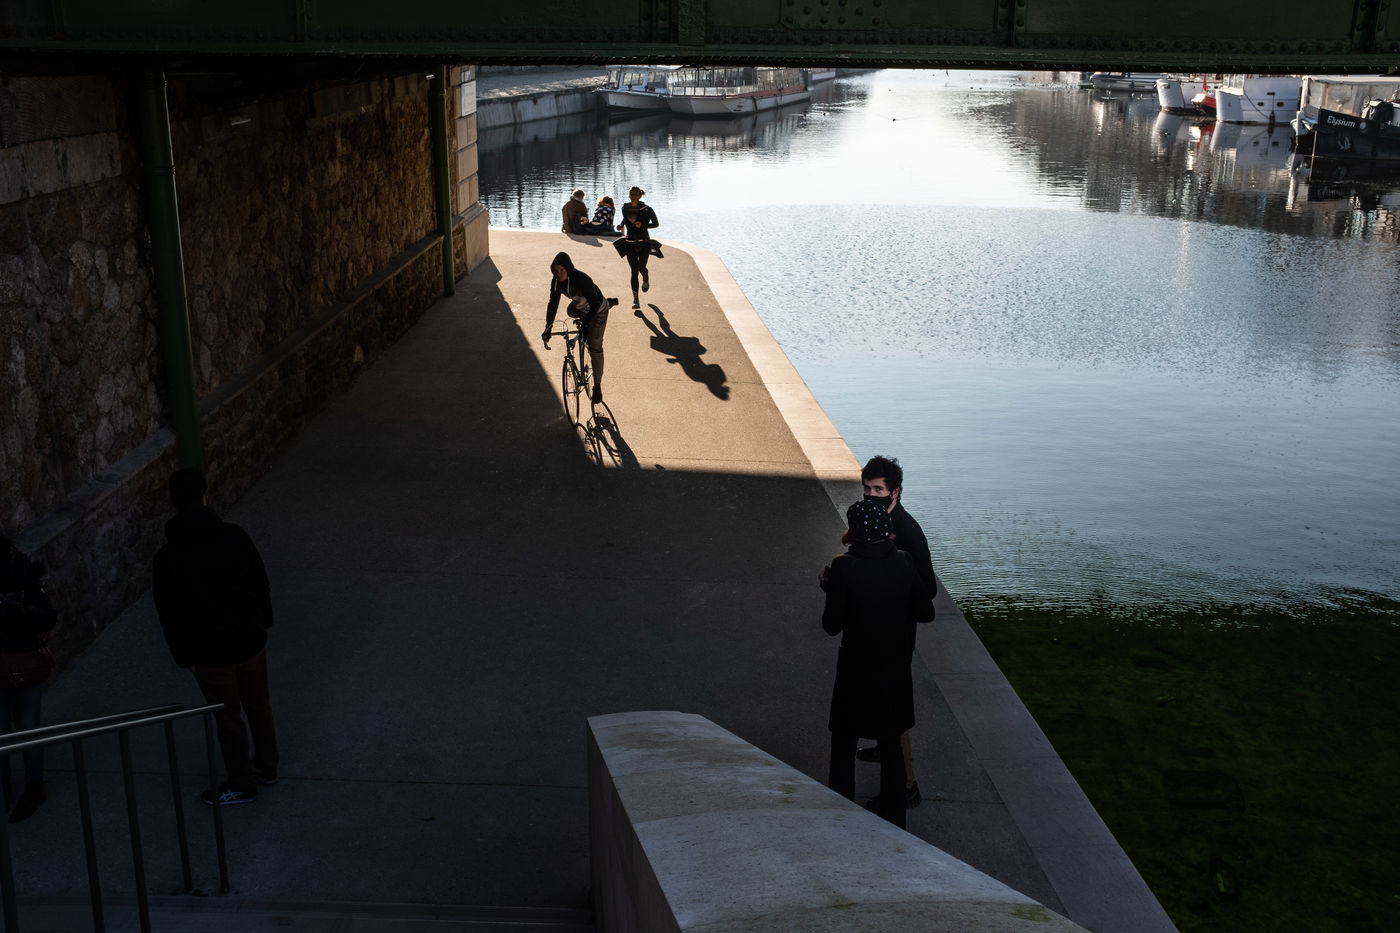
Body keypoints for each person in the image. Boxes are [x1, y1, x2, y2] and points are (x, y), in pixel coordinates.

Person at [153, 468, 279, 806]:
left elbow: (171, 616)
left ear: (174, 502)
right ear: (204, 497)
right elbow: (260, 581)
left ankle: (242, 783)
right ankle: (267, 766)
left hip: (211, 656)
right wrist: (263, 622)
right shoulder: (234, 537)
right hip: (250, 642)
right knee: (258, 706)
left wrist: (186, 659)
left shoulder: (168, 559)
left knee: (228, 719)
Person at [821, 499, 935, 829]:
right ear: (885, 530)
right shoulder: (904, 562)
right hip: (894, 670)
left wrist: (830, 589)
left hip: (855, 671)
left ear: (854, 532)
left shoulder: (843, 567)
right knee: (891, 745)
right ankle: (894, 820)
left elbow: (831, 626)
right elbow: (925, 612)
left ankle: (841, 817)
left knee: (844, 746)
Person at [855, 454, 939, 810]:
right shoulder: (874, 520)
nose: (870, 495)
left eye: (878, 489)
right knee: (882, 701)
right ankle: (884, 747)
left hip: (896, 635)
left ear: (895, 492)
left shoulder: (907, 531)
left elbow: (928, 590)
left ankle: (907, 785)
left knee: (894, 711)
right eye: (867, 488)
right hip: (878, 631)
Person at [0, 535, 57, 823]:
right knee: (21, 729)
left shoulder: (21, 571)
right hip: (21, 661)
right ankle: (20, 787)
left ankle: (31, 787)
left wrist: (19, 610)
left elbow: (46, 617)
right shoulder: (21, 568)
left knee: (25, 728)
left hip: (22, 662)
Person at [542, 251, 618, 405]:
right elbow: (553, 304)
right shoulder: (556, 282)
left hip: (597, 310)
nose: (558, 274)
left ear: (568, 268)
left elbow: (594, 305)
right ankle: (605, 304)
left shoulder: (582, 280)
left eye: (561, 270)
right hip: (582, 307)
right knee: (570, 311)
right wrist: (548, 327)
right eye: (555, 270)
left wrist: (585, 325)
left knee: (595, 346)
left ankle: (597, 386)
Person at [612, 186, 662, 310]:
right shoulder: (625, 208)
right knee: (633, 271)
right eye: (631, 193)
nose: (632, 196)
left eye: (635, 194)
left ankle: (646, 277)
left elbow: (656, 224)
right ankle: (636, 300)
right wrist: (621, 225)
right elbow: (625, 219)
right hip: (629, 242)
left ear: (639, 196)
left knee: (641, 268)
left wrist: (643, 225)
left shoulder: (647, 209)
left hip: (643, 242)